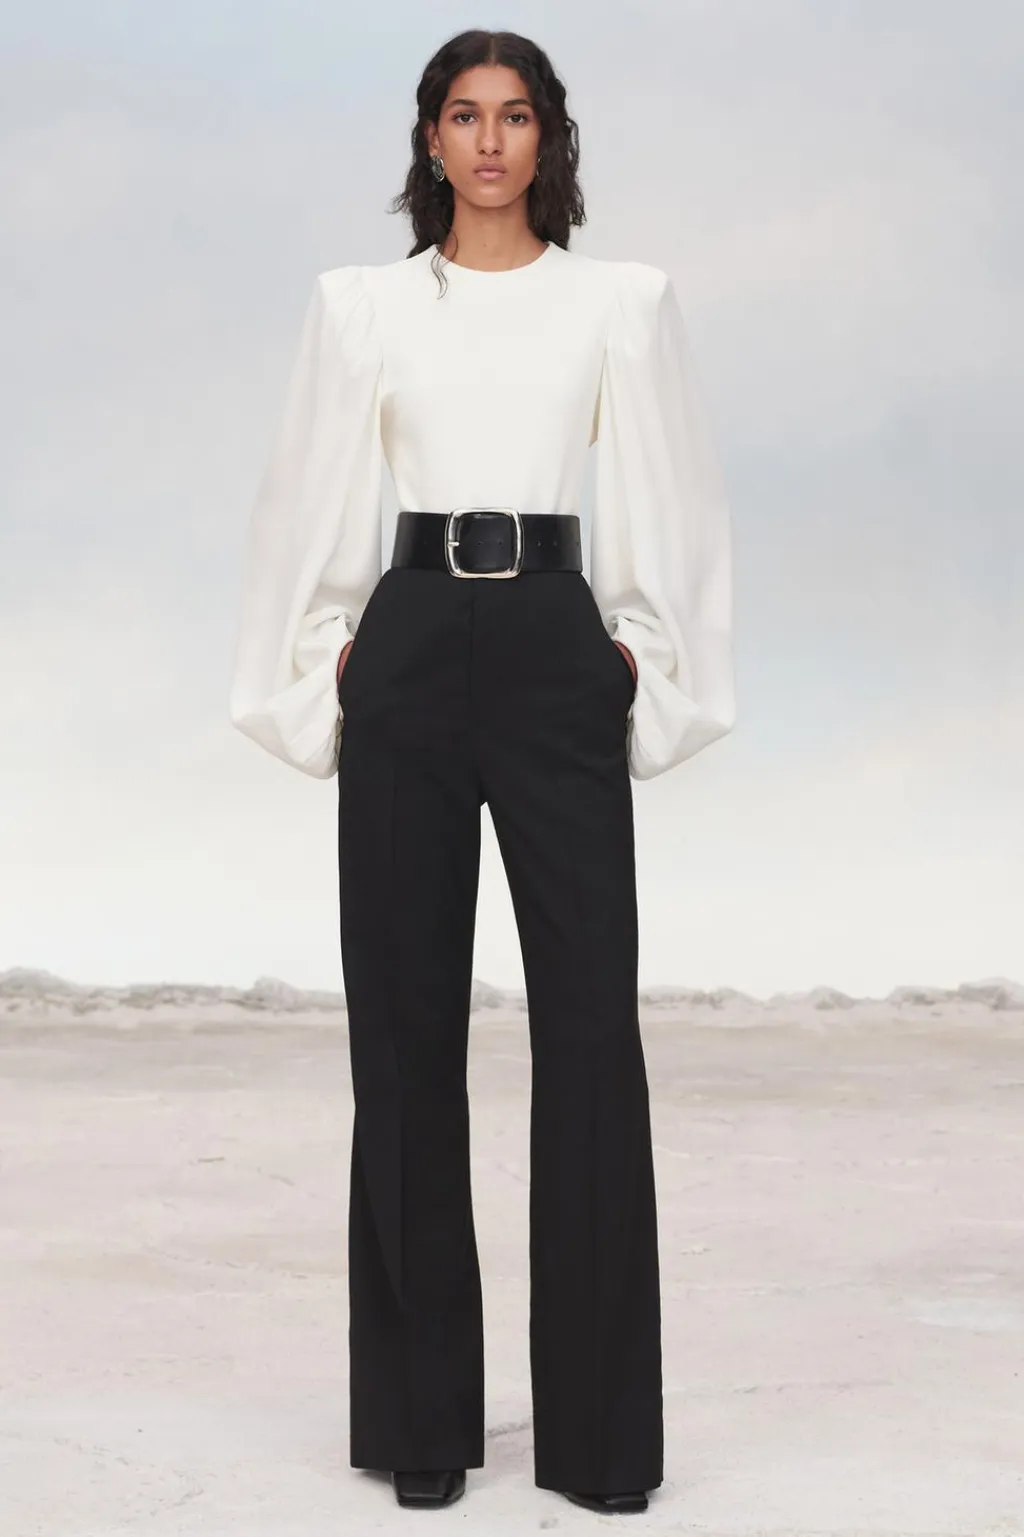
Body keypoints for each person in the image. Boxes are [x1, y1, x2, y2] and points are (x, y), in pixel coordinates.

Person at [229, 27, 735, 1518]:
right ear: (431, 139)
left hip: (555, 642)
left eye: (518, 115)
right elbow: (307, 495)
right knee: (402, 1035)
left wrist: (636, 663)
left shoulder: (619, 301)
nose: (493, 140)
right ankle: (420, 1423)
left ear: (548, 137)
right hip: (406, 641)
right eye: (466, 115)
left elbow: (673, 497)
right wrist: (331, 661)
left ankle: (599, 1443)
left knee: (589, 1034)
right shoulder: (364, 306)